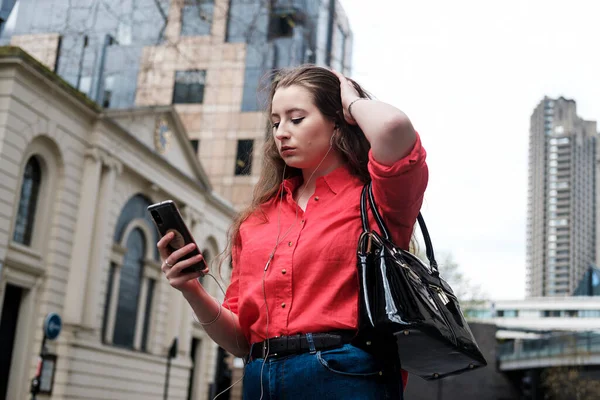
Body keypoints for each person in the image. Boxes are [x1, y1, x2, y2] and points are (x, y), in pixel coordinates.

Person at [157, 65, 428, 399]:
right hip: (260, 378)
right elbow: (241, 340)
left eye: (296, 119)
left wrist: (352, 101)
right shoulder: (255, 221)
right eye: (275, 122)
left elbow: (393, 127)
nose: (281, 132)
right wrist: (191, 289)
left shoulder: (377, 201)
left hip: (348, 376)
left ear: (338, 121)